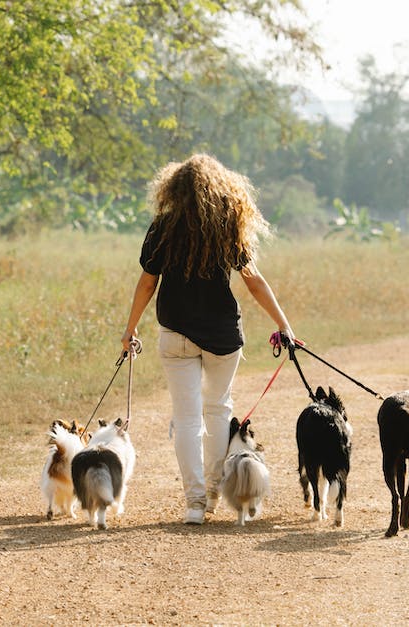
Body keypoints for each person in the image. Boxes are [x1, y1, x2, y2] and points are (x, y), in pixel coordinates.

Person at [121, 153, 297, 525]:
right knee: (218, 411)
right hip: (222, 337)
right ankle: (215, 493)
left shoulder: (163, 227)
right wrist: (284, 324)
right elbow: (253, 280)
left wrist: (130, 328)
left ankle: (195, 504)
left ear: (174, 188)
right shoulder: (227, 225)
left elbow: (147, 282)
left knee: (186, 419)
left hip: (175, 334)